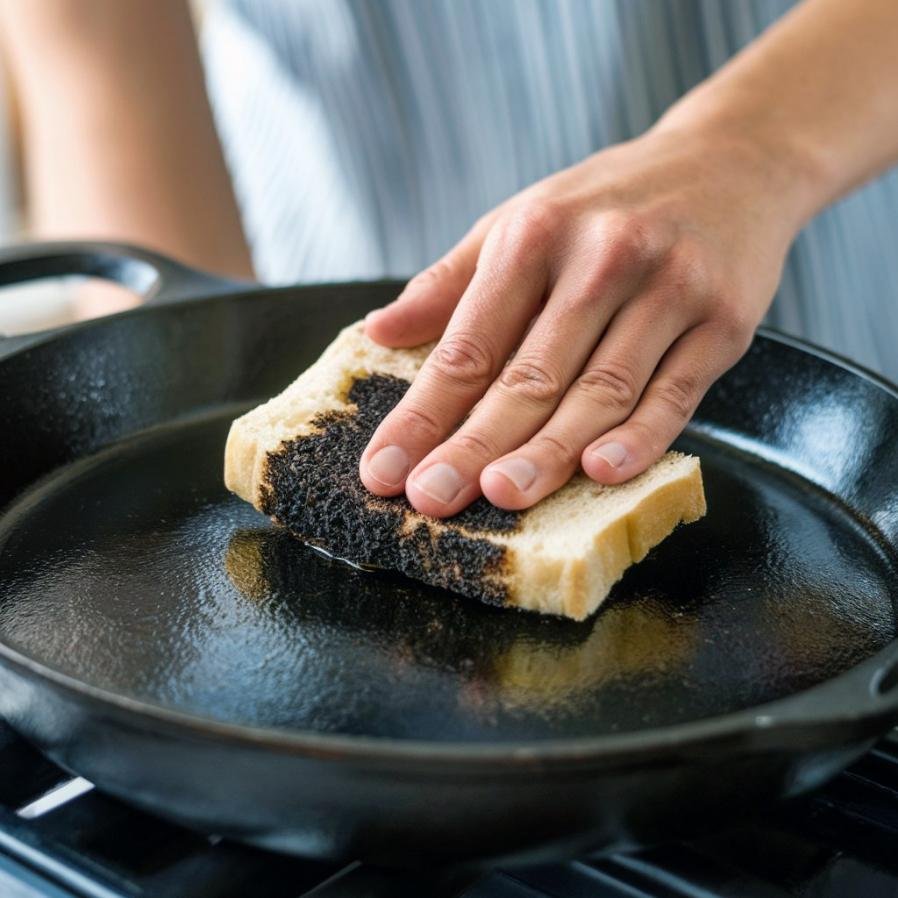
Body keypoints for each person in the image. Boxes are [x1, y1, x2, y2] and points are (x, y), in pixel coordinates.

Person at [2, 1, 897, 520]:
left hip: (827, 292)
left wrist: (749, 150)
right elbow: (98, 52)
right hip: (343, 271)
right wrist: (187, 399)